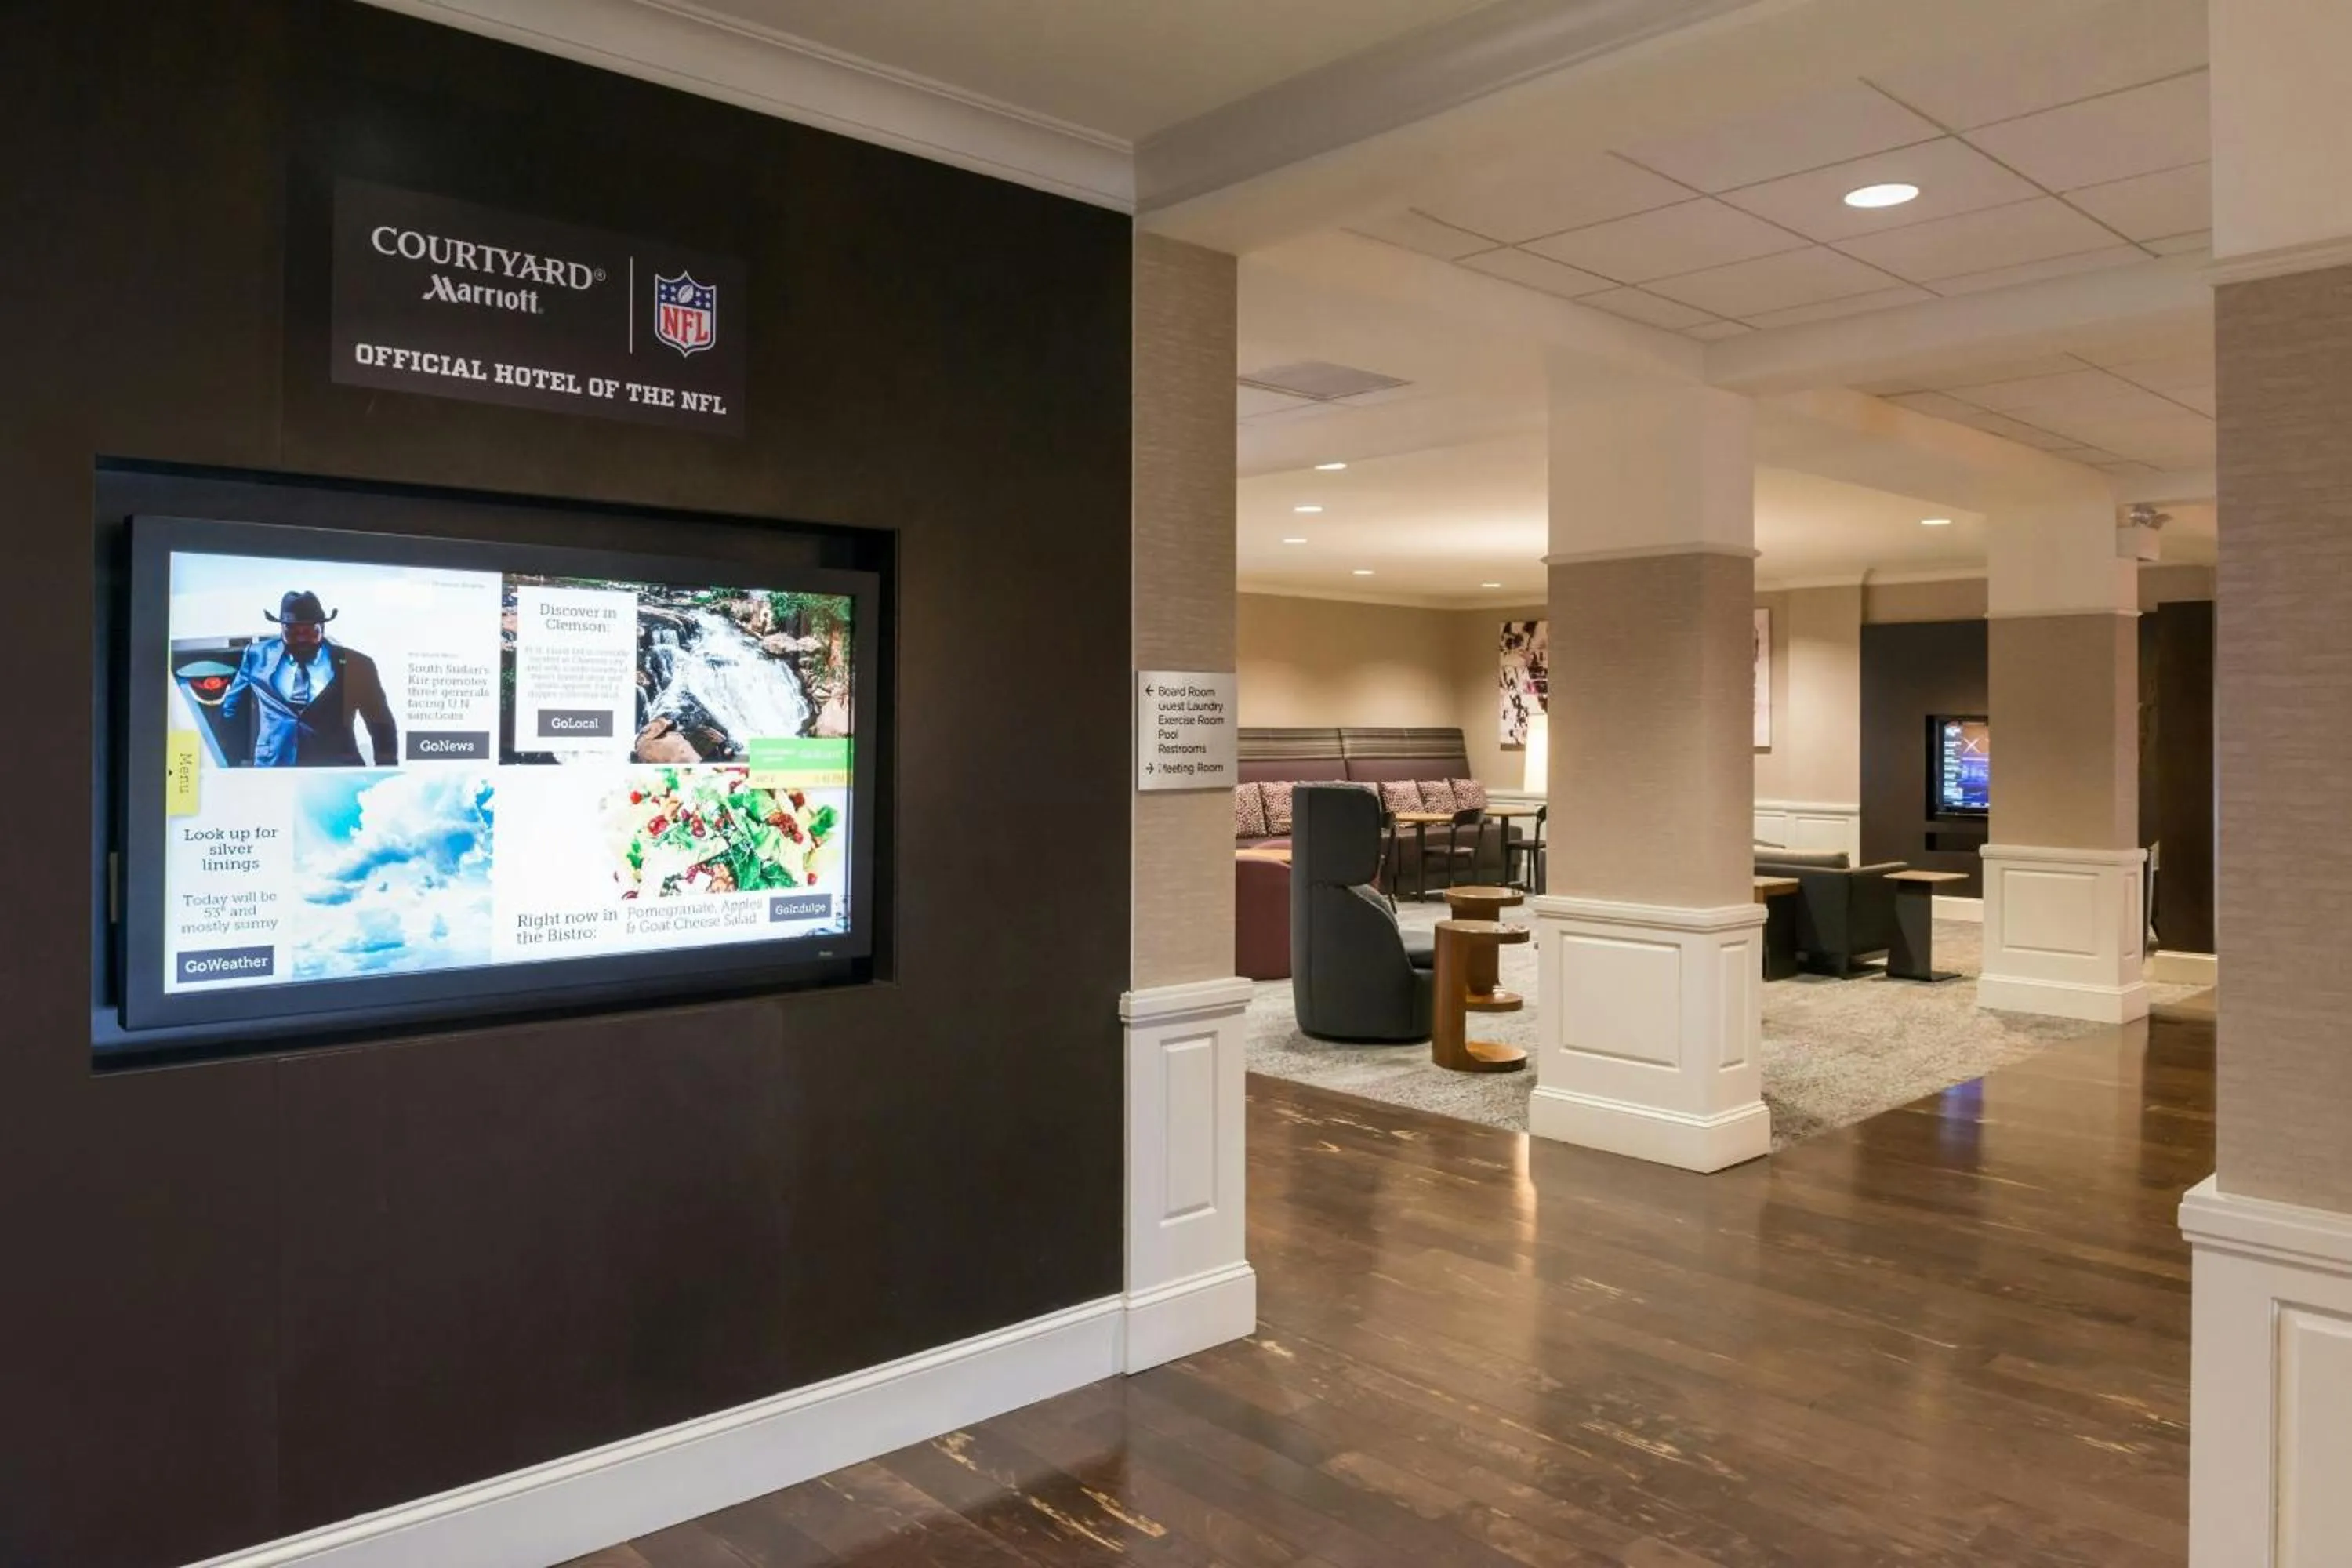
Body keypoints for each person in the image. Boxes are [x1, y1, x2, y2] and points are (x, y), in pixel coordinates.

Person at [219, 590, 398, 767]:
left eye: (310, 631)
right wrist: (233, 763)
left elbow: (380, 721)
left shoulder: (357, 664)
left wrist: (386, 770)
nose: (302, 639)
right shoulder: (256, 656)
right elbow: (231, 710)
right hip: (273, 771)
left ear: (323, 627)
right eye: (293, 632)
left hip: (336, 773)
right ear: (281, 629)